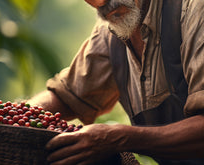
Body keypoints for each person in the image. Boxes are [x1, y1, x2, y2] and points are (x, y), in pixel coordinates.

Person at [27, 0, 204, 164]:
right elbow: (68, 96)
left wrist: (121, 138)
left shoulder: (193, 9)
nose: (100, 3)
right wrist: (7, 117)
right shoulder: (113, 31)